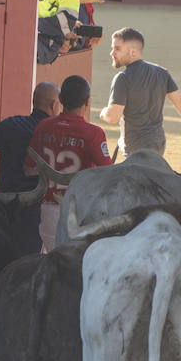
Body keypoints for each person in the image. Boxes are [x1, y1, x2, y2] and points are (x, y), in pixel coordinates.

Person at [0, 82, 60, 255]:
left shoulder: (11, 124)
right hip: (35, 209)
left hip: (2, 205)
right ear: (54, 105)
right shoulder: (55, 134)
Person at [26, 75, 112, 251]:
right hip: (80, 213)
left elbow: (28, 169)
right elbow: (109, 175)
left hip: (48, 211)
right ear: (87, 101)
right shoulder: (93, 133)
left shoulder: (43, 126)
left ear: (61, 100)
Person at [100, 28, 181, 157]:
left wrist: (103, 113)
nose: (112, 53)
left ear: (133, 52)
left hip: (135, 147)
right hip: (158, 144)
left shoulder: (122, 78)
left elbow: (113, 117)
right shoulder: (161, 73)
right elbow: (180, 102)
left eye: (117, 49)